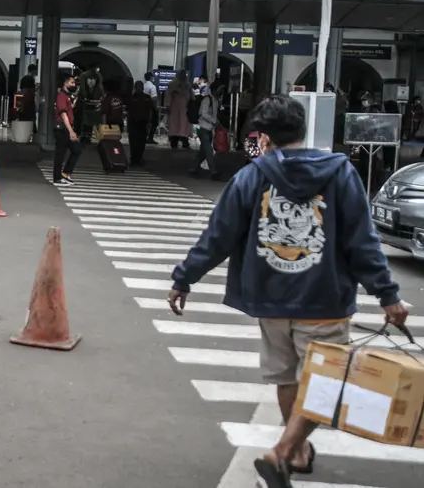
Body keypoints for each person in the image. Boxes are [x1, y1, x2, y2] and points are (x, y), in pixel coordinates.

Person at [167, 95, 407, 488]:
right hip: (325, 299)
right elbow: (362, 242)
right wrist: (388, 295)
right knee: (323, 384)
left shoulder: (251, 177)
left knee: (287, 379)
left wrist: (184, 278)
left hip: (270, 298)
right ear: (302, 130)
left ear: (264, 137)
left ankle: (294, 450)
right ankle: (283, 452)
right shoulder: (340, 173)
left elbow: (218, 236)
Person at [52, 75, 83, 186]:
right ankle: (58, 178)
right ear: (65, 83)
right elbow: (63, 115)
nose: (74, 85)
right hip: (62, 128)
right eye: (72, 82)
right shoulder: (61, 96)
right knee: (61, 153)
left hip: (66, 128)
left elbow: (68, 110)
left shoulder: (67, 96)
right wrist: (71, 131)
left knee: (76, 150)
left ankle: (65, 174)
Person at [191, 78, 221, 180]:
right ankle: (214, 171)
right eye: (220, 89)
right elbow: (203, 113)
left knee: (203, 151)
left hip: (209, 129)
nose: (222, 92)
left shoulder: (215, 101)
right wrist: (214, 121)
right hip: (203, 128)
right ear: (215, 90)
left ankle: (194, 168)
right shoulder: (207, 100)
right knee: (208, 150)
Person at [165, 70, 194, 150]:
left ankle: (185, 141)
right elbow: (168, 96)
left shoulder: (187, 85)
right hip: (175, 109)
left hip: (185, 108)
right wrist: (168, 105)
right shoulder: (172, 85)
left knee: (184, 126)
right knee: (175, 125)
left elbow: (191, 96)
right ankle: (174, 142)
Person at [127, 84, 154, 166]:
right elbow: (128, 110)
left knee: (141, 141)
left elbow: (150, 111)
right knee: (133, 141)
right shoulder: (131, 98)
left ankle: (139, 157)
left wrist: (149, 122)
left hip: (143, 122)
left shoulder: (147, 98)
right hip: (133, 122)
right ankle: (134, 158)